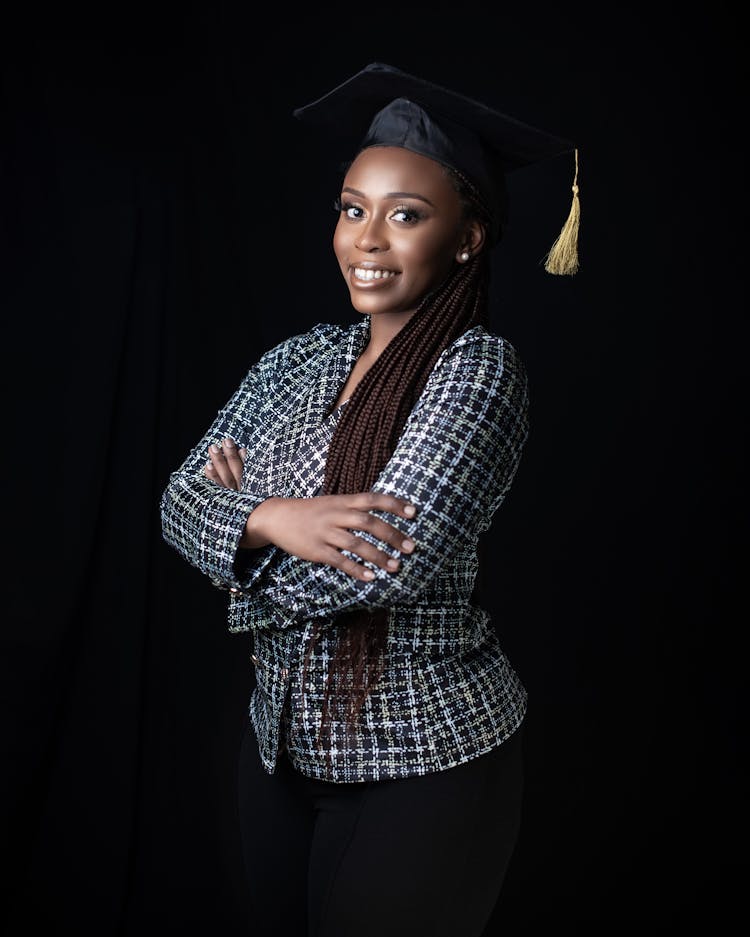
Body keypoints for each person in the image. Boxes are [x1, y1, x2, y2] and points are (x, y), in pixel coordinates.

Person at [160, 62, 577, 937]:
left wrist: (233, 545)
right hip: (277, 751)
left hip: (424, 764)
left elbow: (379, 566)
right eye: (354, 208)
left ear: (467, 236)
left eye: (407, 214)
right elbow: (175, 499)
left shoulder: (477, 373)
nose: (369, 239)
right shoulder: (297, 360)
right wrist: (276, 519)